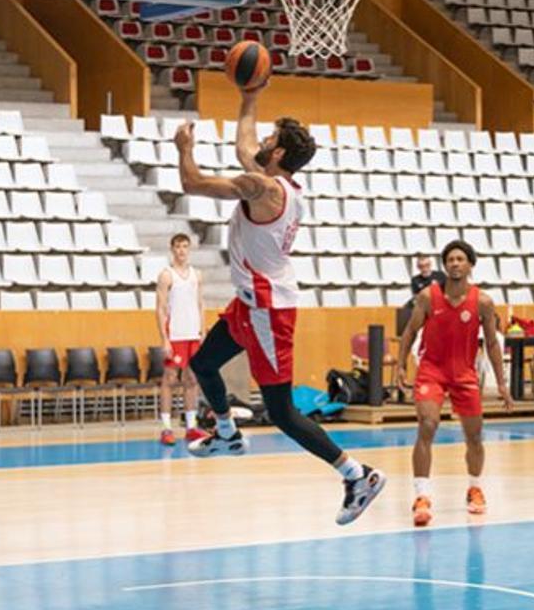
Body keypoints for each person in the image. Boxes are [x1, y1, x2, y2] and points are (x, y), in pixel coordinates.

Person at [173, 84, 385, 526]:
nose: (261, 141)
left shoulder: (263, 189)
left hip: (268, 309)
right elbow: (244, 144)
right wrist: (250, 94)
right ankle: (227, 435)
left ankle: (356, 475)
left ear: (279, 152)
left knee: (282, 410)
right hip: (251, 303)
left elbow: (191, 182)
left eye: (270, 139)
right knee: (204, 364)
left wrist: (184, 148)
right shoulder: (281, 186)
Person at [396, 240, 514, 527]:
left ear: (470, 264)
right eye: (450, 259)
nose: (455, 264)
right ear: (444, 265)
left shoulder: (483, 302)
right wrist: (400, 365)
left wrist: (501, 383)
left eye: (461, 259)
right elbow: (410, 331)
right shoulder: (427, 297)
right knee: (427, 425)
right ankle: (421, 496)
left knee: (474, 435)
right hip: (431, 371)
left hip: (464, 374)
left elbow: (493, 347)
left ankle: (475, 488)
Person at [155, 233, 205, 446]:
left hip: (193, 334)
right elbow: (160, 308)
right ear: (172, 249)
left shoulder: (197, 275)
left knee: (192, 380)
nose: (182, 250)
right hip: (175, 334)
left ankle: (191, 426)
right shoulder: (167, 275)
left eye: (185, 246)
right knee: (169, 380)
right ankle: (166, 428)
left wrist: (202, 330)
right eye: (178, 246)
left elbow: (200, 303)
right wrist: (164, 338)